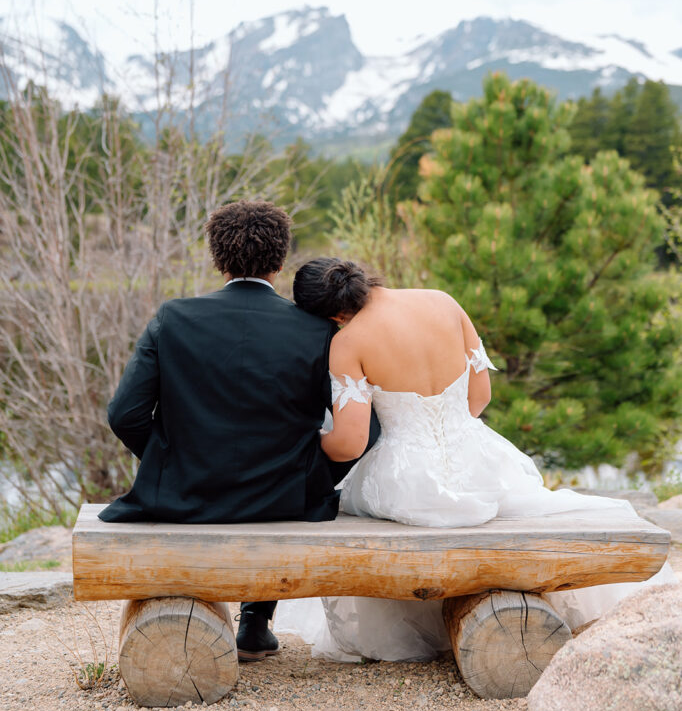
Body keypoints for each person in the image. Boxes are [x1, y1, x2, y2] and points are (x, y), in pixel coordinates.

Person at [275, 257, 676, 662]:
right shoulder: (443, 302)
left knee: (347, 504)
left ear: (330, 315)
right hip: (481, 461)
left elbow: (349, 443)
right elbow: (479, 398)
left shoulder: (348, 342)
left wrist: (311, 441)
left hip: (407, 478)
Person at [99, 203, 379, 662]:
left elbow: (124, 415)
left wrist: (174, 459)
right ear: (280, 261)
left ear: (217, 258)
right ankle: (255, 619)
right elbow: (359, 429)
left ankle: (244, 616)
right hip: (286, 495)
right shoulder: (317, 331)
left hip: (186, 491)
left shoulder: (173, 319)